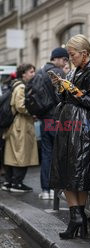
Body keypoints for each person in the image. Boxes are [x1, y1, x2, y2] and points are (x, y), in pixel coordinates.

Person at [50, 34, 90, 239]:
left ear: (84, 53)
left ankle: (76, 220)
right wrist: (60, 86)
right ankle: (79, 219)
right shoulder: (74, 71)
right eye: (69, 54)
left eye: (72, 54)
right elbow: (64, 98)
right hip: (69, 123)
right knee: (71, 172)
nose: (70, 58)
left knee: (74, 173)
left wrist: (73, 89)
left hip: (80, 126)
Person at [1, 64, 39, 192]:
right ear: (23, 74)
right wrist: (33, 111)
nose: (33, 74)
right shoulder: (21, 87)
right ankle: (17, 183)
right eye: (31, 72)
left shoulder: (14, 84)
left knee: (12, 155)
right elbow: (21, 106)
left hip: (14, 124)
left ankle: (9, 182)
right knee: (21, 154)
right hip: (21, 124)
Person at [39, 47, 69, 200]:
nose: (64, 63)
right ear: (56, 58)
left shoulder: (41, 71)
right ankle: (55, 190)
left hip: (44, 119)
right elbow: (63, 97)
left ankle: (45, 190)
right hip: (56, 119)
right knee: (58, 155)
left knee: (46, 154)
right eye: (64, 59)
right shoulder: (59, 73)